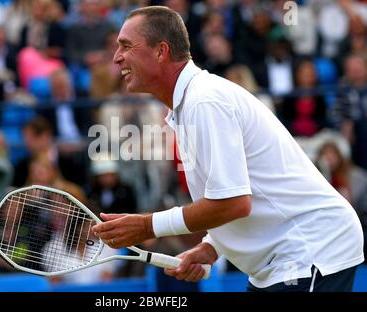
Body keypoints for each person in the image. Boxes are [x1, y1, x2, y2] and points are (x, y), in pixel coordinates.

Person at [92, 6, 364, 292]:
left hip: (310, 250)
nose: (116, 56)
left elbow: (235, 202)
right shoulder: (191, 103)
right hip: (282, 261)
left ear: (161, 51)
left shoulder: (204, 102)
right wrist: (211, 247)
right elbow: (239, 194)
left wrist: (148, 226)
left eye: (126, 46)